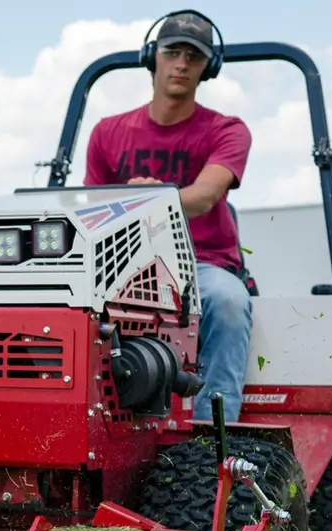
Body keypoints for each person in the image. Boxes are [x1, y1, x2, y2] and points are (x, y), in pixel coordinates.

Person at [84, 10, 253, 424]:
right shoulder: (107, 132)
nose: (181, 64)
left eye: (193, 57)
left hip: (203, 265)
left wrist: (148, 198)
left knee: (228, 301)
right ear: (152, 57)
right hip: (127, 264)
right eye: (172, 52)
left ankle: (210, 439)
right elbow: (90, 212)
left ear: (207, 67)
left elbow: (205, 195)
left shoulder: (226, 130)